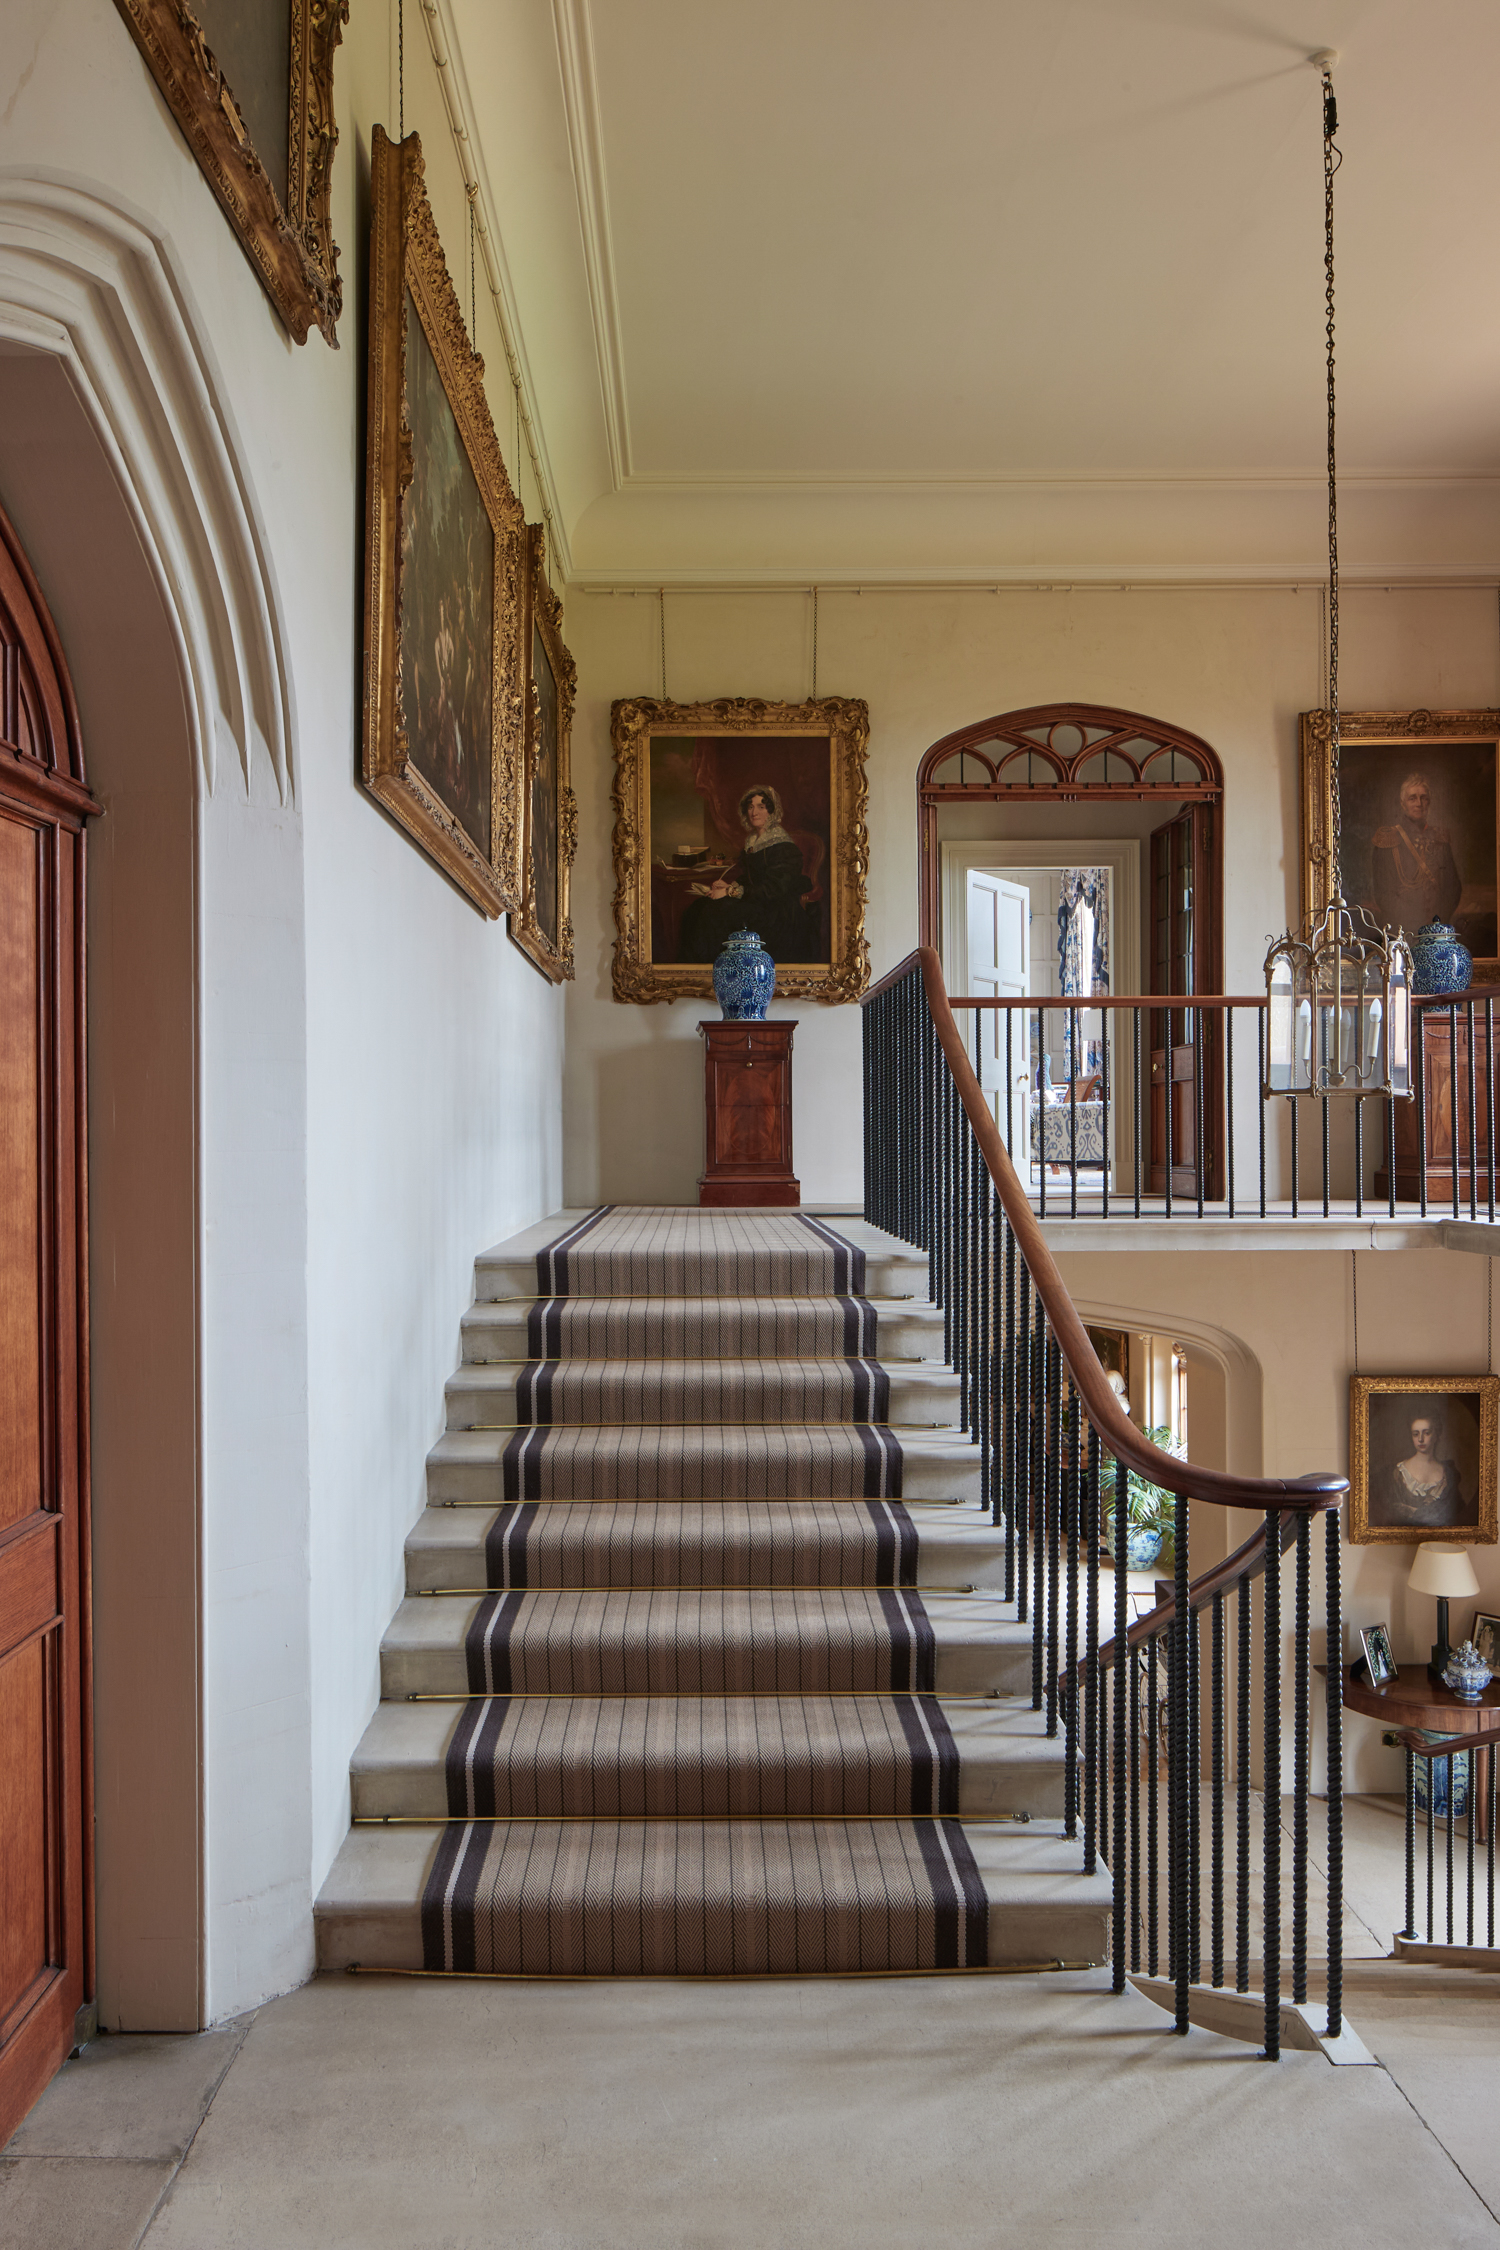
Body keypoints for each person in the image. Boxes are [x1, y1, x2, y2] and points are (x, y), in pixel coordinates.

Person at [677, 785, 812, 964]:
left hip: (775, 910)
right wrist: (729, 886)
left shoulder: (784, 847)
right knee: (696, 909)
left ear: (772, 811)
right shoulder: (752, 842)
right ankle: (693, 970)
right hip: (755, 900)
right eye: (750, 806)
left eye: (761, 807)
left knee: (712, 915)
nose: (754, 812)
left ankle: (716, 969)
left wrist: (729, 892)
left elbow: (773, 889)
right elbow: (750, 877)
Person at [1370, 772, 1462, 935]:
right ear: (1403, 803)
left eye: (1423, 798)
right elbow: (1384, 893)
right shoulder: (1388, 839)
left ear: (1429, 802)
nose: (1419, 803)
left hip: (1435, 931)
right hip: (1402, 931)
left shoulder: (1440, 839)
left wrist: (1438, 922)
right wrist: (1407, 924)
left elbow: (1453, 888)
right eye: (1412, 798)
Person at [1384, 1406, 1463, 1526]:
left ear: (1437, 1434)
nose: (1420, 1439)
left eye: (1427, 1433)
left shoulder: (1448, 1475)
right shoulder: (1399, 1472)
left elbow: (1456, 1513)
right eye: (1415, 1434)